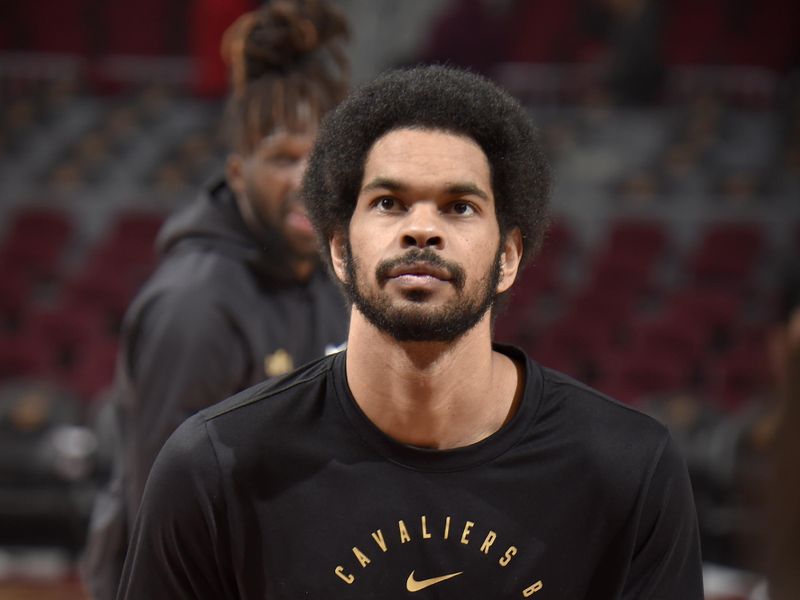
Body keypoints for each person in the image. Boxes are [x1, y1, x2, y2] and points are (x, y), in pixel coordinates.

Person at [118, 65, 704, 599]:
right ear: (340, 250)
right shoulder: (216, 467)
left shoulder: (629, 469)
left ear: (509, 257)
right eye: (389, 202)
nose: (421, 229)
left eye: (460, 207)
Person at [81, 2, 350, 598]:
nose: (309, 178)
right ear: (236, 172)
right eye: (283, 157)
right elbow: (168, 517)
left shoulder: (332, 281)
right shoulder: (196, 305)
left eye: (324, 155)